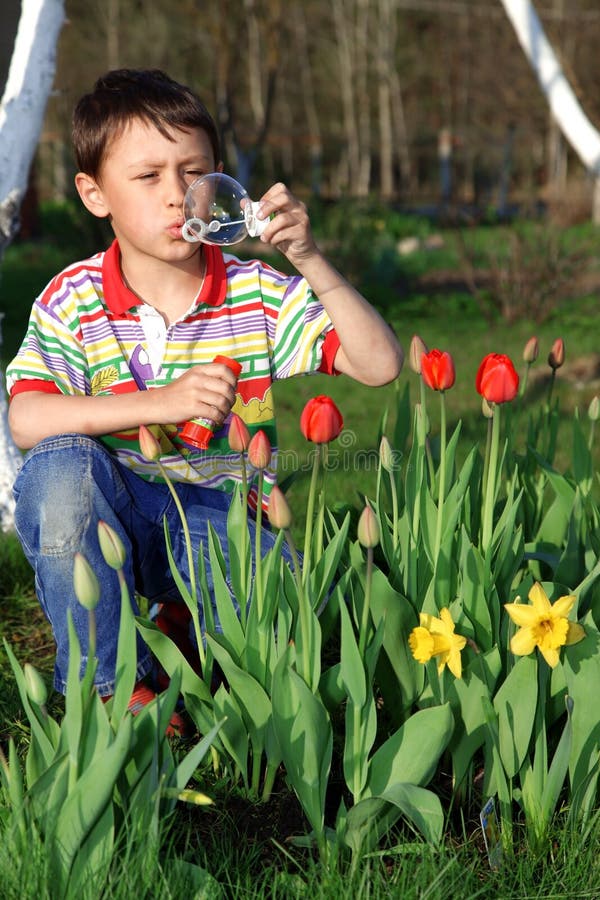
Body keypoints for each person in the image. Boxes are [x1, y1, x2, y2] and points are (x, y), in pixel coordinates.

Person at [6, 69, 402, 728]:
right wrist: (157, 403)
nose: (174, 196)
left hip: (227, 517)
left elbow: (380, 364)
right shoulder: (72, 297)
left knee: (267, 658)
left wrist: (309, 258)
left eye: (192, 174)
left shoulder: (254, 291)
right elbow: (26, 418)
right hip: (114, 510)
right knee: (58, 470)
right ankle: (110, 689)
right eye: (147, 176)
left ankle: (185, 624)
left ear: (218, 183)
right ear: (94, 193)